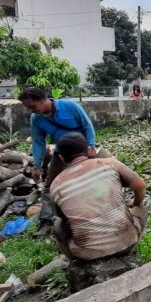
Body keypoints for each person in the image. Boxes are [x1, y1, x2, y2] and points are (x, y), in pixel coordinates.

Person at [50, 133, 147, 261]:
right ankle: (130, 247)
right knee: (141, 208)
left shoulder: (56, 185)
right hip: (126, 244)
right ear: (89, 150)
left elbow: (62, 216)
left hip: (86, 255)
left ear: (61, 158)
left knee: (58, 225)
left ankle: (74, 261)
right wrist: (135, 203)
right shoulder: (110, 164)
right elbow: (140, 186)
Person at [19, 87, 96, 227]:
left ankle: (92, 215)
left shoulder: (70, 106)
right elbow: (38, 141)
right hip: (61, 152)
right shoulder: (36, 118)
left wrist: (91, 146)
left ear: (42, 100)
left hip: (82, 151)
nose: (31, 110)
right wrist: (36, 166)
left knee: (89, 182)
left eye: (32, 106)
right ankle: (46, 221)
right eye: (27, 107)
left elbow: (87, 126)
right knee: (50, 185)